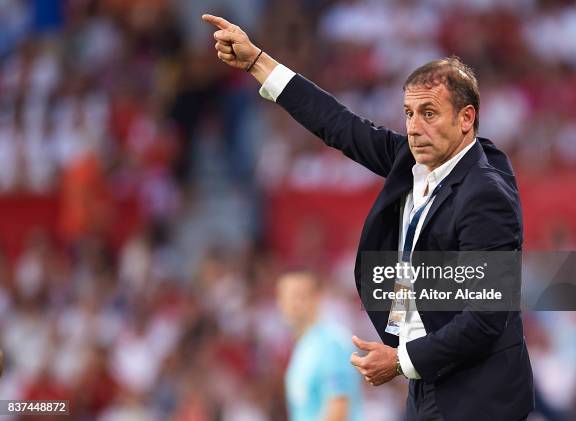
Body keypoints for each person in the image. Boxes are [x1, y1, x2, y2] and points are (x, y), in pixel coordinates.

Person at [202, 14, 534, 421]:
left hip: (478, 397)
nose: (414, 127)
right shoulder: (414, 162)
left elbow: (486, 319)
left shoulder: (485, 196)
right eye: (409, 113)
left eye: (429, 113)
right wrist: (258, 63)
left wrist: (401, 361)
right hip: (431, 383)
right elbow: (339, 125)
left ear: (466, 119)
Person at [276, 271, 362, 421]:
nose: (292, 304)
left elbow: (338, 411)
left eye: (299, 296)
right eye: (285, 297)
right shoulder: (304, 346)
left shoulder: (331, 345)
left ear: (318, 297)